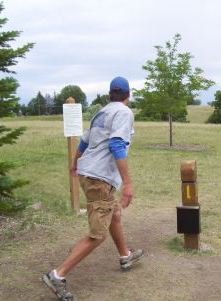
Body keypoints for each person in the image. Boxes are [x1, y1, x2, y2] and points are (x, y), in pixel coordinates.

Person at [42, 76, 144, 301]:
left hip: (88, 172)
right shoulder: (124, 113)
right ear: (128, 94)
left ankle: (125, 255)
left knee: (114, 213)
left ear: (111, 94)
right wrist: (127, 182)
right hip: (100, 178)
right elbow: (116, 143)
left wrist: (75, 161)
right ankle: (57, 275)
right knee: (98, 235)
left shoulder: (102, 112)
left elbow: (84, 141)